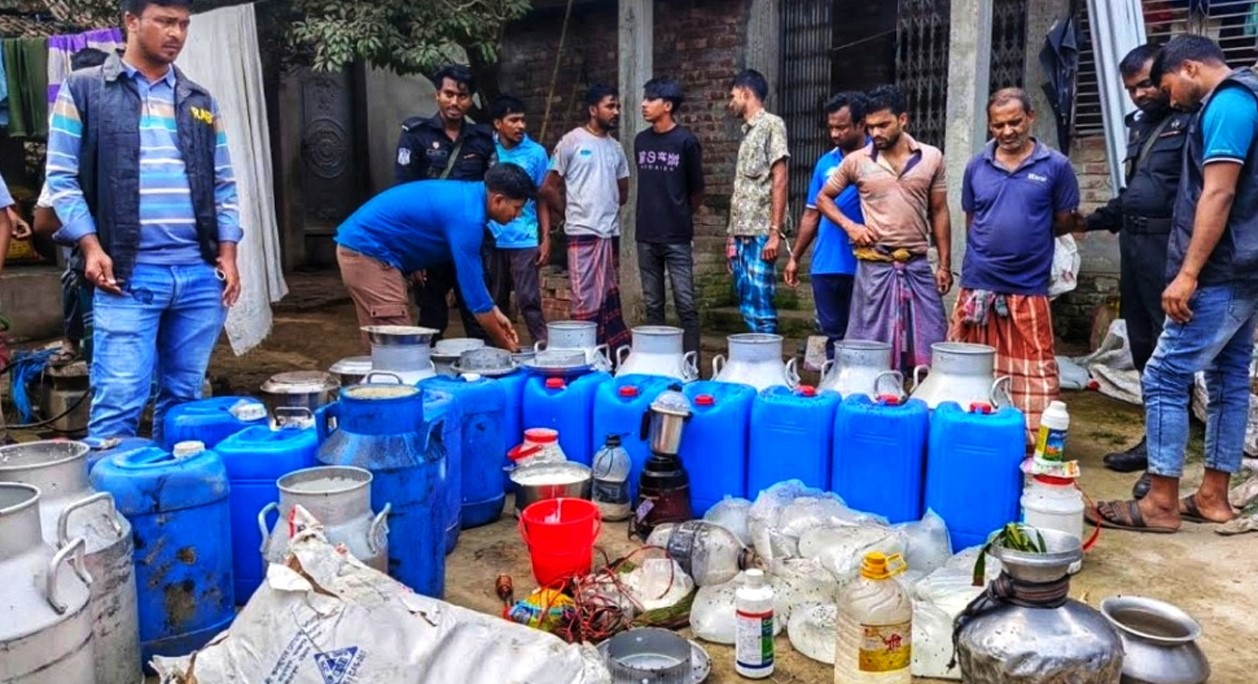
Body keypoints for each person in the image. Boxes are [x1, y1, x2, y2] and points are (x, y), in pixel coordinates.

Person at [46, 0, 242, 444]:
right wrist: (91, 247)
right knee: (119, 402)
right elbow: (60, 178)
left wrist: (228, 254)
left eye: (183, 24)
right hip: (127, 276)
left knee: (184, 402)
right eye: (165, 22)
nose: (176, 33)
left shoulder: (199, 100)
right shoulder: (83, 90)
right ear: (131, 22)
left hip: (198, 275)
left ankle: (171, 502)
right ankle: (108, 509)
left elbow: (224, 184)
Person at [1089, 35, 1256, 533]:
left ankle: (1160, 502)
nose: (1170, 98)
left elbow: (1219, 194)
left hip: (1222, 268)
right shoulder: (1248, 97)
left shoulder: (1227, 105)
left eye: (1167, 85)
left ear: (1188, 68)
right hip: (1246, 267)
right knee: (1227, 380)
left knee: (1163, 374)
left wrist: (1187, 274)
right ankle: (1212, 496)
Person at [1084, 43, 1194, 499]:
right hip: (1136, 246)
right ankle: (1153, 445)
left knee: (1168, 356)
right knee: (1145, 349)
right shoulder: (1141, 128)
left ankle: (1168, 460)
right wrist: (1090, 220)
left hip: (1170, 247)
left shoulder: (1193, 122)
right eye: (1131, 89)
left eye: (1147, 83)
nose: (1141, 94)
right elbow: (1137, 193)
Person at [949, 88, 1080, 443]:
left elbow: (1064, 220)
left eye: (1015, 122)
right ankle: (971, 434)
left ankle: (1031, 441)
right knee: (969, 365)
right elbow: (973, 220)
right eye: (998, 125)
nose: (1007, 131)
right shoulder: (977, 166)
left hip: (1027, 288)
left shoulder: (1056, 166)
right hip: (978, 285)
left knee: (1034, 369)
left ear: (1031, 118)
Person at [816, 84, 951, 372]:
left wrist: (945, 264)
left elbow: (939, 210)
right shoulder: (856, 162)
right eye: (871, 126)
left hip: (915, 265)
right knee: (868, 344)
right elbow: (823, 199)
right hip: (874, 267)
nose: (876, 133)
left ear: (903, 120)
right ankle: (872, 400)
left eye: (884, 125)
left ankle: (921, 398)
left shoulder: (931, 157)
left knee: (932, 338)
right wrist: (851, 226)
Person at [335, 164, 529, 352]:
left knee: (383, 345)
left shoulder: (470, 197)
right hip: (369, 252)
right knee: (399, 349)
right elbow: (476, 300)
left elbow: (478, 290)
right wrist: (506, 349)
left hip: (365, 249)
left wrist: (494, 310)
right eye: (517, 207)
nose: (518, 215)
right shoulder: (468, 218)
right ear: (498, 200)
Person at [394, 64, 495, 340]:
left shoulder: (483, 139)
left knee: (478, 317)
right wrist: (412, 254)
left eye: (462, 96)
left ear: (470, 98)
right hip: (429, 243)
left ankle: (482, 379)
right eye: (448, 94)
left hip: (469, 242)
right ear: (437, 94)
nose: (455, 102)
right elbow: (405, 194)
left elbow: (491, 194)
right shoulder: (416, 135)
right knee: (431, 323)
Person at [34, 47, 111, 366]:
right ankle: (72, 340)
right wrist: (86, 235)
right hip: (90, 259)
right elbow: (42, 223)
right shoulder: (68, 155)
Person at [540, 84, 631, 352]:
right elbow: (548, 187)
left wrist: (608, 205)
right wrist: (568, 213)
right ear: (593, 110)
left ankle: (610, 354)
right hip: (581, 231)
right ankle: (584, 353)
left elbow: (623, 190)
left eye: (617, 106)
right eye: (609, 106)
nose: (615, 112)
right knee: (583, 298)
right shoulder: (572, 141)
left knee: (608, 296)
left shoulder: (616, 148)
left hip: (609, 233)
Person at [785, 91, 868, 358]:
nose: (835, 133)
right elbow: (811, 214)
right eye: (831, 127)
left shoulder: (877, 160)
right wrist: (795, 257)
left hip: (866, 264)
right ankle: (834, 386)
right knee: (834, 335)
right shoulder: (825, 163)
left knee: (863, 336)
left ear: (861, 123)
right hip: (827, 264)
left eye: (842, 127)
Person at [634, 77, 705, 361]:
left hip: (676, 237)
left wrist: (679, 215)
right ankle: (657, 361)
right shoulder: (641, 140)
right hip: (645, 235)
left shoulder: (686, 141)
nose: (643, 104)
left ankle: (692, 366)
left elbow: (697, 190)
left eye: (650, 99)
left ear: (667, 105)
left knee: (686, 304)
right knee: (653, 305)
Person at [726, 69, 789, 334]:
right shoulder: (747, 134)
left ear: (745, 93)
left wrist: (775, 233)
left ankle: (767, 365)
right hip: (742, 233)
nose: (731, 103)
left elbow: (780, 178)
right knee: (746, 300)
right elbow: (742, 190)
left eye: (733, 96)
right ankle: (752, 361)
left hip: (761, 232)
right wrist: (730, 237)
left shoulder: (771, 125)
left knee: (761, 302)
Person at [488, 95, 550, 345]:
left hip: (524, 237)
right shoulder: (486, 150)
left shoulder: (536, 153)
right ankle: (498, 351)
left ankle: (543, 348)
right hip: (491, 237)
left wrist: (545, 238)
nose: (520, 126)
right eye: (513, 120)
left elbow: (543, 197)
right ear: (497, 123)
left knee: (529, 300)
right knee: (494, 299)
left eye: (523, 120)